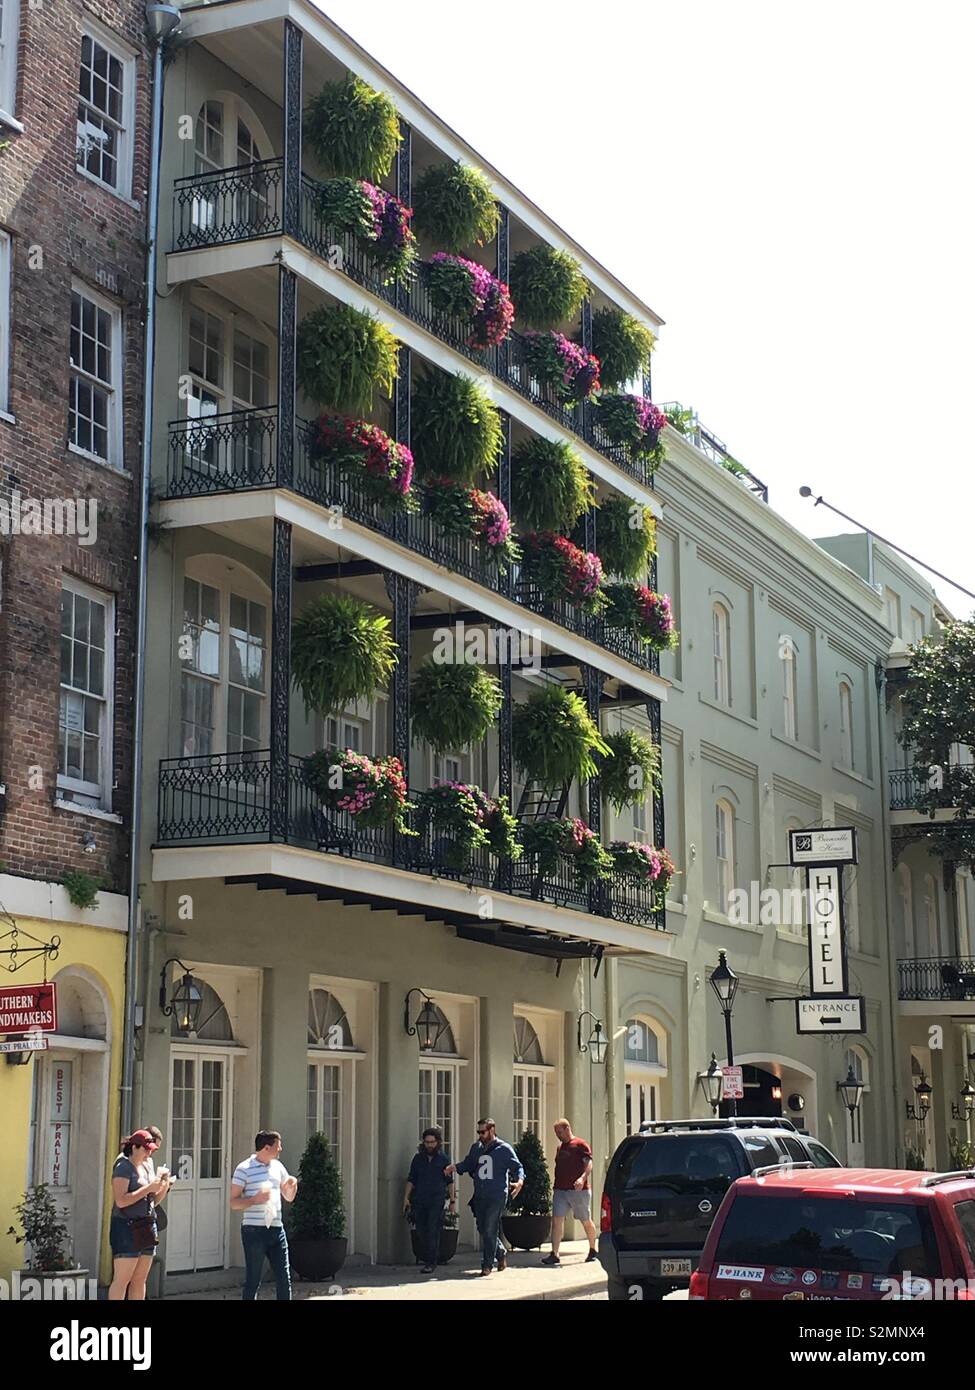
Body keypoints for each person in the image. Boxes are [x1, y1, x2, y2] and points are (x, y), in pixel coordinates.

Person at [446, 1118, 523, 1276]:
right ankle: (500, 1252)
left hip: (497, 1194)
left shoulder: (504, 1149)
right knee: (483, 1228)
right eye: (478, 1132)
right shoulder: (477, 1148)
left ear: (492, 1130)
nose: (480, 1135)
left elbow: (517, 1167)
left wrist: (519, 1182)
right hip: (480, 1194)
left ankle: (487, 1264)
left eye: (483, 1132)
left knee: (490, 1227)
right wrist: (454, 1167)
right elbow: (469, 1164)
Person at [230, 1129, 299, 1300]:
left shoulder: (278, 1167)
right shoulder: (244, 1169)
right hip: (254, 1231)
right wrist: (254, 1199)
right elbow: (233, 1202)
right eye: (278, 1145)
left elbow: (288, 1197)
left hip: (276, 1229)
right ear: (267, 1148)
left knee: (284, 1277)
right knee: (253, 1278)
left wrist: (293, 1185)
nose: (281, 1149)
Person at [108, 1130, 167, 1300]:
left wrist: (163, 1186)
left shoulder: (148, 1166)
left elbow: (153, 1201)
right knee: (122, 1279)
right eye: (146, 1149)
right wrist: (148, 1189)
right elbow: (121, 1201)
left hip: (146, 1225)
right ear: (134, 1147)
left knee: (140, 1280)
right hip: (126, 1226)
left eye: (151, 1150)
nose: (149, 1153)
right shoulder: (123, 1166)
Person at [541, 1118, 598, 1266]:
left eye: (559, 1132)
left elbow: (589, 1163)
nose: (558, 1135)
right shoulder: (560, 1148)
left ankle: (593, 1249)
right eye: (556, 1133)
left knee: (585, 1220)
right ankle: (555, 1253)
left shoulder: (580, 1144)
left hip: (578, 1191)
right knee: (557, 1220)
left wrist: (582, 1178)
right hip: (561, 1190)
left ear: (567, 1129)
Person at [403, 1127, 455, 1275]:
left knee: (433, 1229)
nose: (429, 1145)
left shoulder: (443, 1159)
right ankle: (429, 1257)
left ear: (437, 1142)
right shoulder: (418, 1159)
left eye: (432, 1142)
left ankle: (431, 1262)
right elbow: (411, 1179)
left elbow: (449, 1181)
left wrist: (452, 1201)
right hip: (420, 1199)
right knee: (421, 1230)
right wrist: (406, 1197)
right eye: (427, 1142)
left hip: (436, 1200)